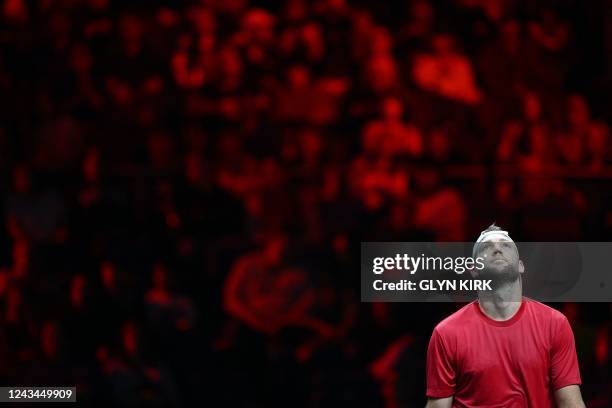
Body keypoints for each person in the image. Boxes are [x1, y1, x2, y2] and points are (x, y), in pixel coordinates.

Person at [425, 224, 585, 407]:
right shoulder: (446, 334)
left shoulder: (555, 324)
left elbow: (571, 403)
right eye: (487, 247)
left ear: (520, 266)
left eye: (505, 245)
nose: (497, 249)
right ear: (474, 270)